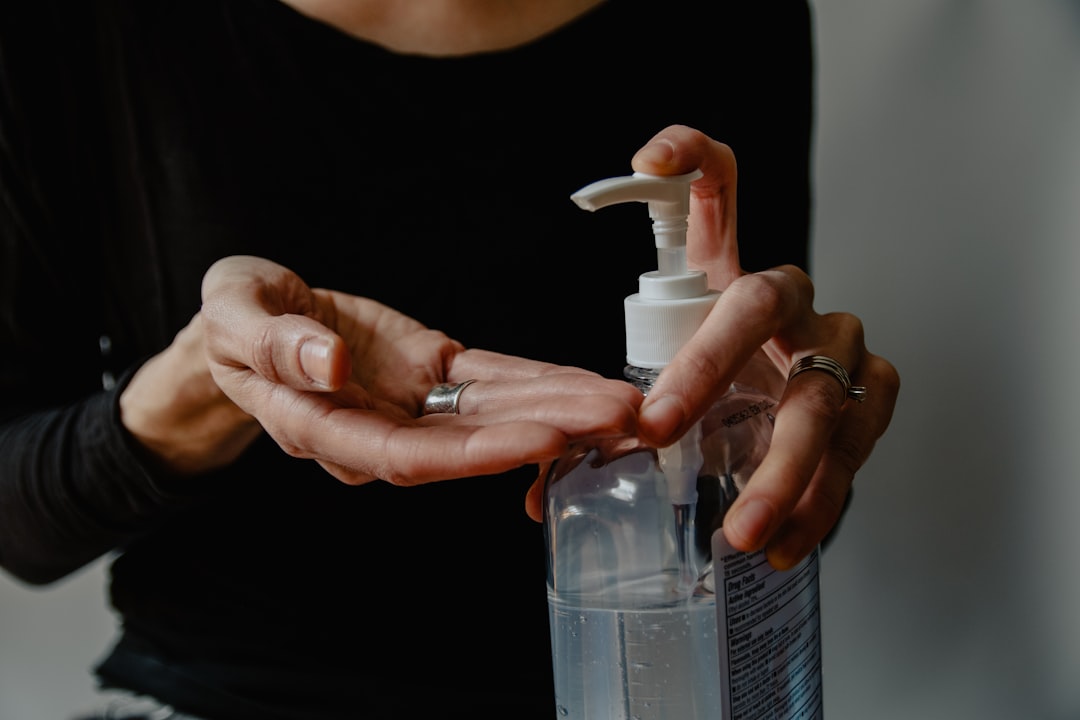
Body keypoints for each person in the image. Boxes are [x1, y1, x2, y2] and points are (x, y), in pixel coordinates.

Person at [0, 0, 899, 718]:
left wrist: (777, 437)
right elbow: (17, 523)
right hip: (222, 693)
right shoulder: (78, 29)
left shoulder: (729, 15)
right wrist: (212, 382)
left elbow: (767, 527)